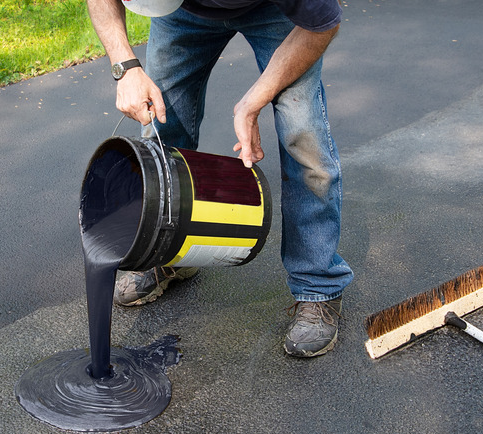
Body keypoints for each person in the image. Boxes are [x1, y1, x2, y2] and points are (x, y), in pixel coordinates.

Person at [86, 0, 354, 357]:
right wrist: (126, 66)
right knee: (162, 127)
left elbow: (322, 24)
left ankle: (318, 286)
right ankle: (170, 254)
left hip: (275, 12)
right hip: (182, 14)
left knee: (303, 137)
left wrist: (255, 99)